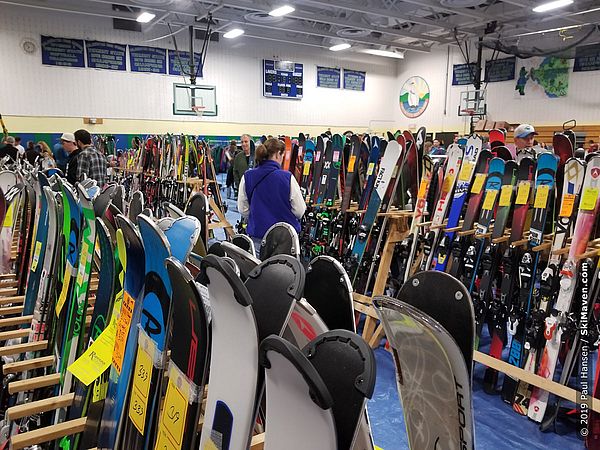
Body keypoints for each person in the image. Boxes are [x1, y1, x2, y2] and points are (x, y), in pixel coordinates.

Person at [237, 138, 306, 249]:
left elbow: (243, 209)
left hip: (258, 237)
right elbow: (299, 211)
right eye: (282, 156)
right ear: (278, 154)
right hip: (285, 240)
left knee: (259, 265)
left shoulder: (247, 176)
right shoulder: (287, 177)